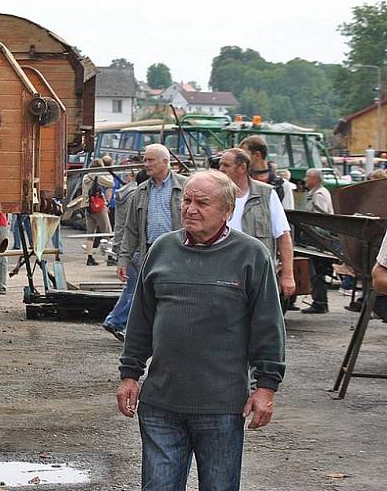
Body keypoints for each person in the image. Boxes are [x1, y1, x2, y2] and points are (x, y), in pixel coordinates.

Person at [117, 170, 286, 491]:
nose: (190, 209)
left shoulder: (251, 255)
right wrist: (129, 375)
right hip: (161, 404)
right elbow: (140, 320)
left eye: (202, 203)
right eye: (187, 200)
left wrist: (265, 387)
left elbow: (268, 326)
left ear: (227, 211)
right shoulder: (162, 249)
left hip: (221, 406)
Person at [114, 144, 187, 339]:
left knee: (179, 295)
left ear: (165, 162)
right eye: (144, 160)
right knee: (148, 297)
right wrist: (123, 260)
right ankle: (149, 337)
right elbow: (130, 230)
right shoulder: (141, 191)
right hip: (150, 253)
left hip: (180, 252)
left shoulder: (186, 187)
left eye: (150, 160)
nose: (145, 164)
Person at [219, 148, 296, 297]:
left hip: (258, 273)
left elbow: (283, 236)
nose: (221, 169)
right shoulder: (215, 194)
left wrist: (288, 275)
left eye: (226, 165)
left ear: (242, 168)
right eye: (220, 165)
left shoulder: (266, 194)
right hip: (222, 271)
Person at [102, 169, 148, 340]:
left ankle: (115, 320)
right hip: (134, 249)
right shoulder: (137, 197)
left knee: (132, 289)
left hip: (125, 247)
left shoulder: (126, 193)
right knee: (136, 291)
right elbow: (135, 228)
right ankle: (117, 321)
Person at [302, 168, 334, 313]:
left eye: (307, 177)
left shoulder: (319, 194)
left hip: (317, 239)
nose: (305, 180)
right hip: (317, 238)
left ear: (315, 179)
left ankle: (320, 302)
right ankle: (319, 301)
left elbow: (320, 218)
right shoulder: (318, 192)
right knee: (316, 270)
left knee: (317, 270)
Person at [81, 158, 114, 266]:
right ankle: (110, 256)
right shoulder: (97, 176)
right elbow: (111, 183)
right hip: (98, 206)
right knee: (107, 231)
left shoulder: (86, 176)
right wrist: (107, 174)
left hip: (87, 206)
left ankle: (89, 258)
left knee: (90, 233)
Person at [239, 135, 284, 200]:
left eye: (244, 155)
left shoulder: (281, 184)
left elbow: (287, 209)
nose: (241, 159)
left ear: (257, 155)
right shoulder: (242, 181)